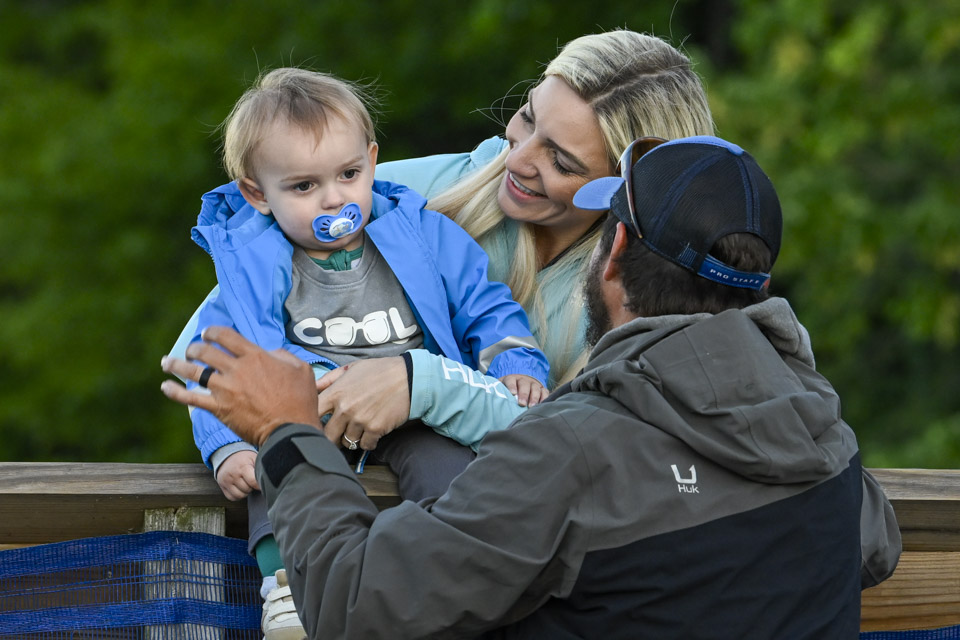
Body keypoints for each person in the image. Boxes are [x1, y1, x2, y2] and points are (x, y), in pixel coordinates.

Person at [160, 135, 902, 639]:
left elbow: (357, 604)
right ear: (759, 287)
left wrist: (289, 435)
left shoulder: (571, 451)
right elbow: (876, 549)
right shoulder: (822, 436)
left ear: (612, 252)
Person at [170, 27, 717, 480]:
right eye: (528, 118)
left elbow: (600, 452)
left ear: (623, 190)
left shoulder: (641, 290)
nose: (516, 160)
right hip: (329, 462)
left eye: (562, 162)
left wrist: (422, 385)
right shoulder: (392, 199)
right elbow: (215, 341)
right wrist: (238, 439)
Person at [184, 66, 550, 638]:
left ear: (372, 161)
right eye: (303, 187)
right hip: (310, 412)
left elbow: (484, 305)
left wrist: (514, 362)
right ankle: (289, 587)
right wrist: (226, 445)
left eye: (349, 174)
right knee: (274, 466)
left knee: (451, 470)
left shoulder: (422, 234)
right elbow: (214, 361)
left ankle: (450, 579)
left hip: (413, 410)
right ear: (258, 193)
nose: (335, 198)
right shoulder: (250, 266)